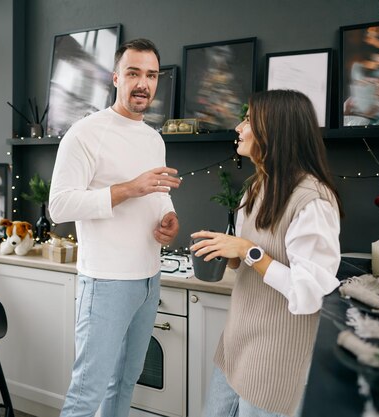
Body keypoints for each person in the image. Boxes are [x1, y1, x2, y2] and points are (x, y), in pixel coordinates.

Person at [49, 38, 181, 417]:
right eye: (134, 73)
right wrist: (126, 190)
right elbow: (58, 205)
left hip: (149, 278)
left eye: (151, 75)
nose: (143, 83)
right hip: (106, 281)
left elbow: (157, 194)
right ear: (116, 78)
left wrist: (169, 217)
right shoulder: (85, 133)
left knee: (126, 381)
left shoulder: (153, 138)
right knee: (87, 391)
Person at [191, 90, 343, 417]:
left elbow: (309, 293)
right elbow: (251, 260)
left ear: (275, 131)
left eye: (248, 120)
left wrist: (248, 251)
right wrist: (228, 251)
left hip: (276, 357)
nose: (238, 127)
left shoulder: (313, 200)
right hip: (236, 342)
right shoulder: (256, 188)